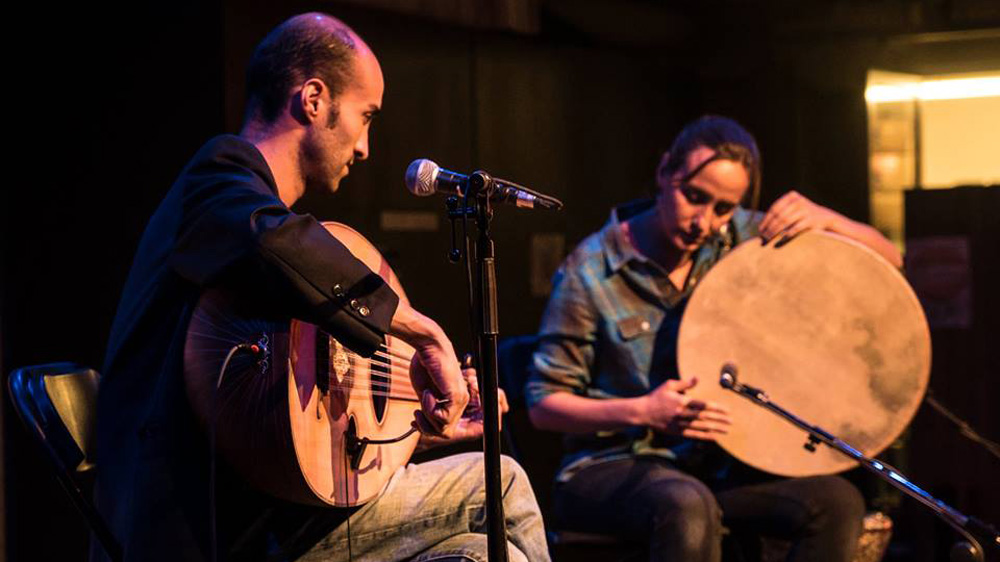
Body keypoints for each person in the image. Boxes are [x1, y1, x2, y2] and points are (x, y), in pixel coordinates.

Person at [93, 13, 549, 562]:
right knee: (500, 485)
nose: (365, 148)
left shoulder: (263, 246)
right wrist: (421, 331)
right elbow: (272, 242)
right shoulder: (217, 183)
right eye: (366, 117)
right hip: (205, 532)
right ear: (313, 99)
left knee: (485, 553)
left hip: (270, 513)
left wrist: (414, 430)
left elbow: (289, 431)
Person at [526, 115, 902, 562]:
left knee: (837, 503)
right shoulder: (590, 270)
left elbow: (889, 259)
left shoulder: (737, 237)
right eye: (694, 197)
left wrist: (825, 219)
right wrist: (644, 411)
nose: (704, 221)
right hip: (610, 464)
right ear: (666, 172)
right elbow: (543, 406)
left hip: (710, 466)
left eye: (724, 208)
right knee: (686, 506)